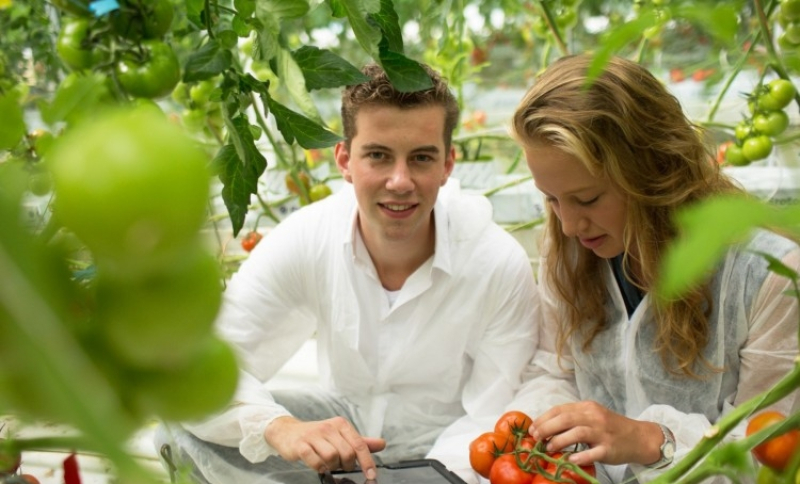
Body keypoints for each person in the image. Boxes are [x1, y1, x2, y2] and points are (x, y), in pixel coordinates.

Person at [154, 62, 541, 484]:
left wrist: (419, 478)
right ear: (344, 159)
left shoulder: (495, 262)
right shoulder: (307, 237)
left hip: (445, 447)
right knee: (177, 429)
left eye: (421, 158)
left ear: (448, 164)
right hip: (340, 434)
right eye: (378, 155)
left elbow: (494, 418)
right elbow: (202, 369)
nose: (399, 181)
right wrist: (279, 428)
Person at [508, 54, 800, 484]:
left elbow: (765, 454)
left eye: (587, 199)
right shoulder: (570, 250)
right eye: (550, 198)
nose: (569, 224)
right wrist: (540, 433)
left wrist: (650, 441)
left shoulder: (766, 276)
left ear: (652, 173)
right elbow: (556, 370)